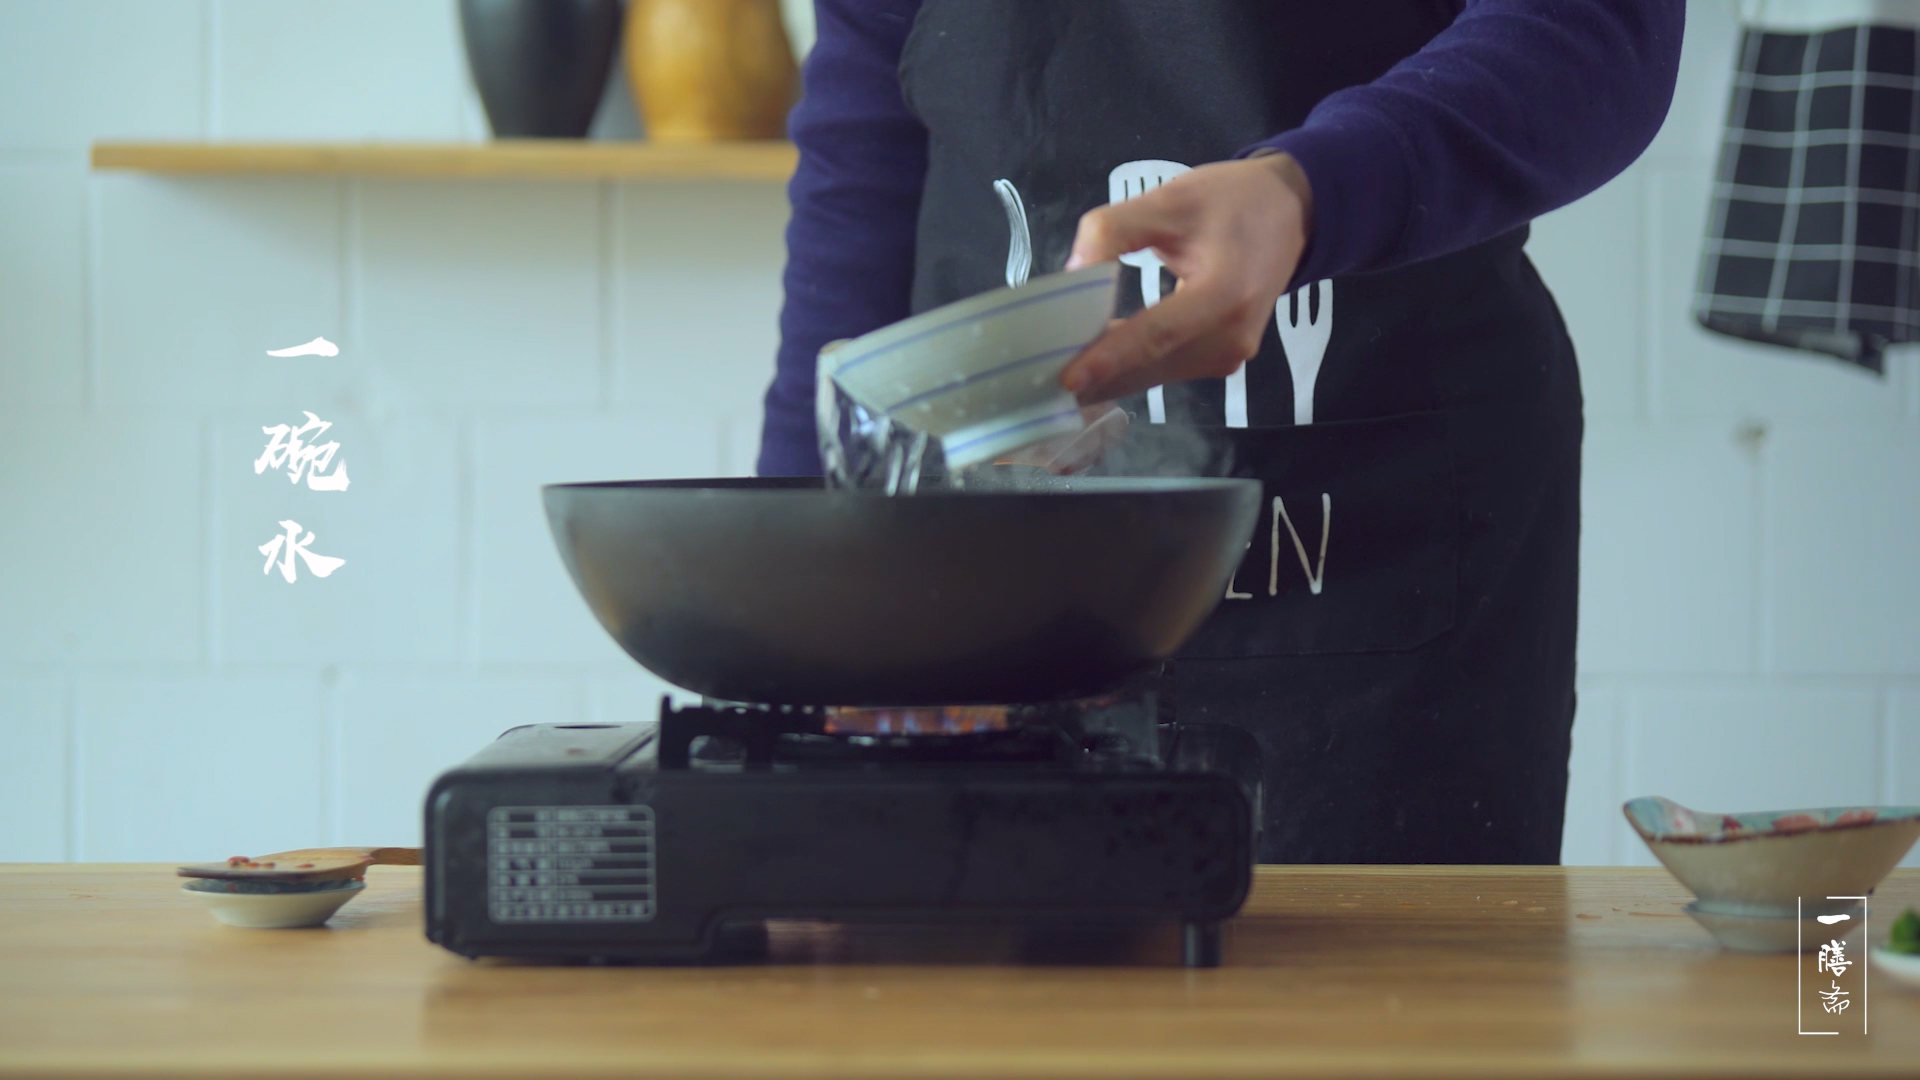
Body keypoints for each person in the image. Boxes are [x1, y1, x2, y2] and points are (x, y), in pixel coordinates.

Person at [757, 0, 1685, 864]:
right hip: (977, 566)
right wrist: (803, 596)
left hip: (1388, 549)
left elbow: (1589, 27)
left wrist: (1314, 190)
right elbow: (861, 149)